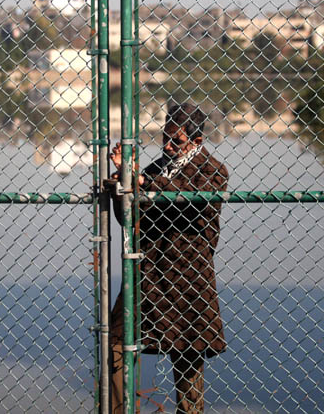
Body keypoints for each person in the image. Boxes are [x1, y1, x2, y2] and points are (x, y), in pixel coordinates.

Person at [109, 103, 228, 414]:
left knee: (188, 355)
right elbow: (131, 219)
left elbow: (187, 198)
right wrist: (124, 177)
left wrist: (144, 183)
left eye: (176, 140)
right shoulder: (156, 168)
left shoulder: (212, 170)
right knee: (116, 340)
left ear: (197, 141)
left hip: (187, 275)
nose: (167, 145)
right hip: (147, 270)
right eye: (165, 137)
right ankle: (119, 408)